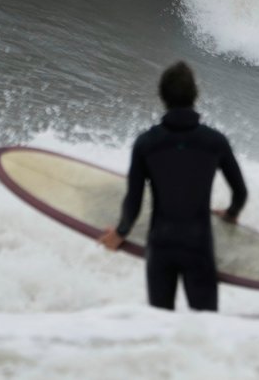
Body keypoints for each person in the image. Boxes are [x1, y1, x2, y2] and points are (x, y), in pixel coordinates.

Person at [98, 61, 248, 311]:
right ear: (195, 95)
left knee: (161, 327)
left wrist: (121, 232)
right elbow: (240, 192)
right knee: (205, 328)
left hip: (161, 246)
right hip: (199, 246)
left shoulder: (146, 143)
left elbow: (133, 198)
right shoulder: (214, 141)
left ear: (162, 96)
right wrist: (231, 214)